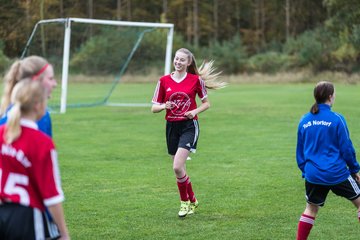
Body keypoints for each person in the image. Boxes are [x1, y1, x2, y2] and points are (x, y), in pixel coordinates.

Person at [151, 48, 226, 217]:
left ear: (188, 63)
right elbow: (153, 108)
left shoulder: (196, 80)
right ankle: (193, 199)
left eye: (182, 60)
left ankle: (184, 203)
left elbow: (207, 103)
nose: (178, 62)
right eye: (176, 59)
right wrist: (164, 106)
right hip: (171, 127)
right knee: (180, 169)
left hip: (189, 126)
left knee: (177, 166)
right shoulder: (163, 81)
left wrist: (195, 111)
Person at [0, 79, 70, 240]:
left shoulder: (2, 132)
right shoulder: (42, 143)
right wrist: (64, 233)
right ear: (38, 105)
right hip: (27, 216)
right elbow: (52, 195)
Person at [296, 81, 360, 239]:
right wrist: (354, 169)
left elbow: (300, 151)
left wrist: (306, 171)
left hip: (313, 174)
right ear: (330, 97)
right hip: (336, 173)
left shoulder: (304, 120)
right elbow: (347, 149)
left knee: (311, 209)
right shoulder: (337, 119)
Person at [0, 55, 57, 137]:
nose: (54, 84)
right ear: (35, 82)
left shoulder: (8, 111)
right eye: (50, 79)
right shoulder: (39, 116)